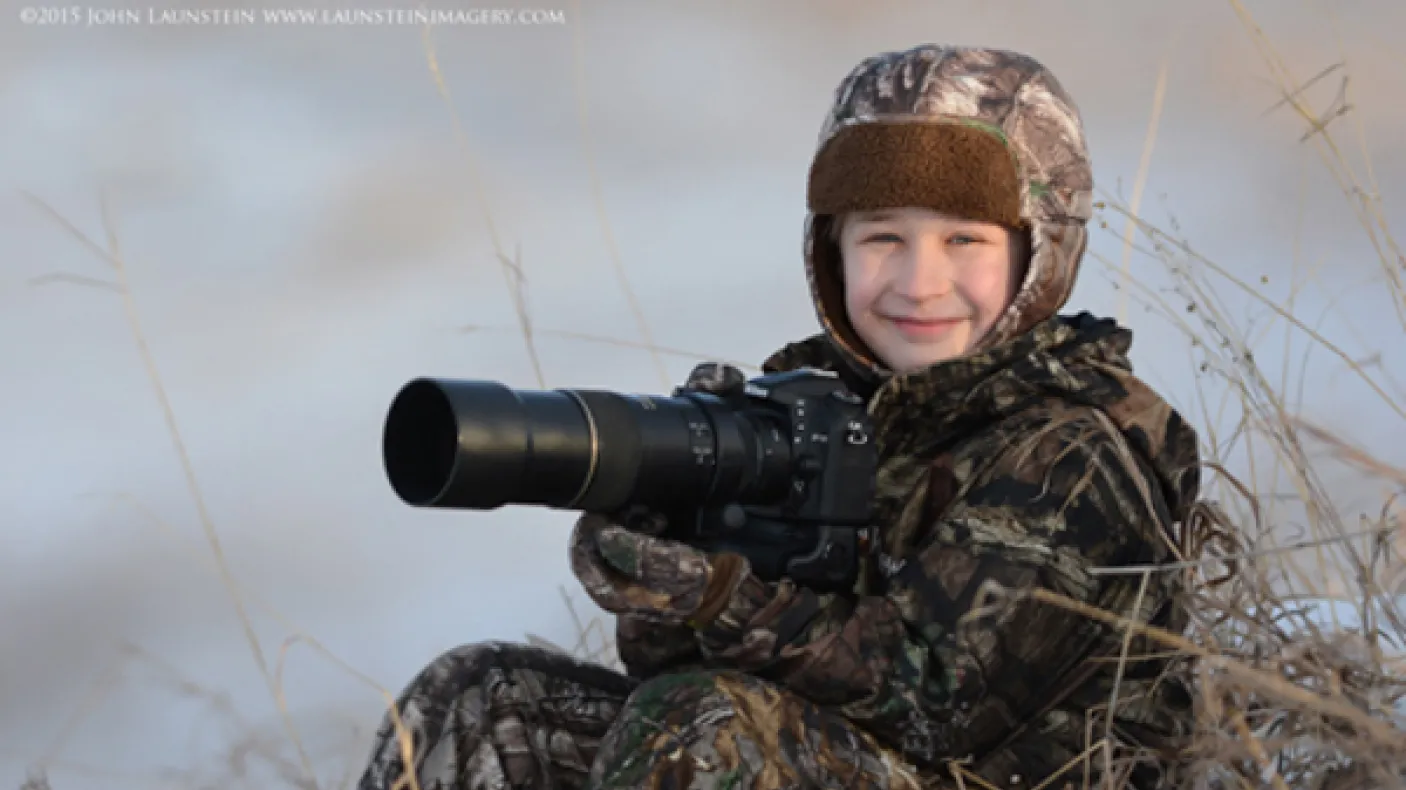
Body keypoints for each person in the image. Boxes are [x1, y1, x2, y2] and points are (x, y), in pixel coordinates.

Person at [356, 43, 1202, 790]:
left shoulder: (1074, 452)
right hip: (817, 751)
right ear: (829, 250)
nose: (918, 282)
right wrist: (667, 566)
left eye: (964, 242)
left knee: (710, 723)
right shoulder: (816, 404)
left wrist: (723, 599)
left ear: (1039, 252)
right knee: (481, 695)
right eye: (881, 239)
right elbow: (674, 675)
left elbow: (933, 704)